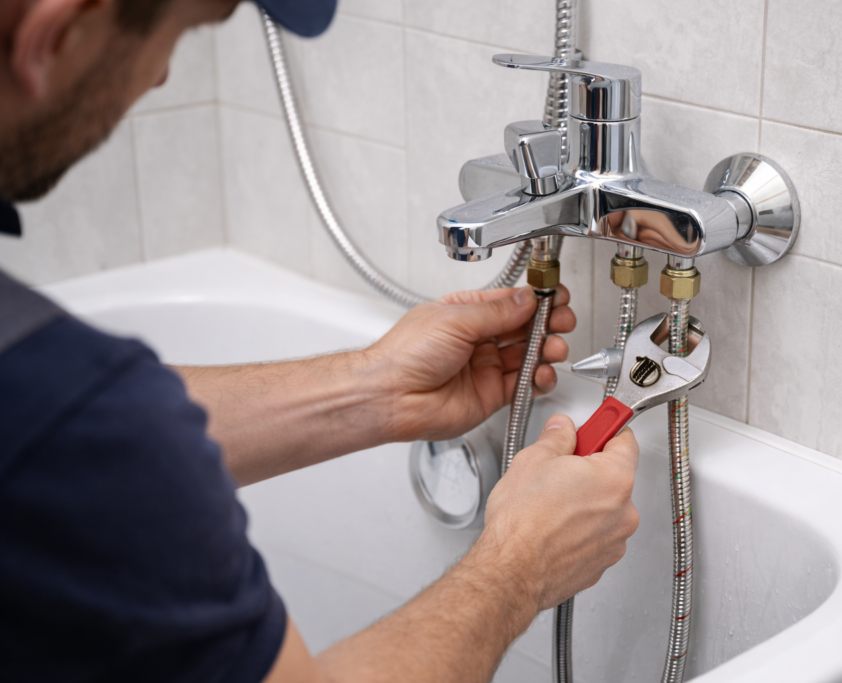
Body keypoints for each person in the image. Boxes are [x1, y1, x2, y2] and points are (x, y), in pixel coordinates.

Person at [0, 0, 641, 680]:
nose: (159, 77)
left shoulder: (54, 406)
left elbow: (77, 440)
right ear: (52, 36)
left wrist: (376, 387)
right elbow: (84, 437)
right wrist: (520, 566)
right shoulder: (72, 417)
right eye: (179, 35)